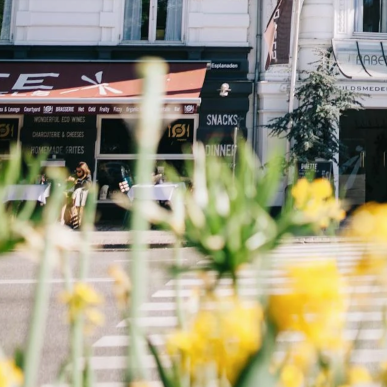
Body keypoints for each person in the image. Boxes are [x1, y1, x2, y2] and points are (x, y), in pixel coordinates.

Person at [67, 162, 92, 228]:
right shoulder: (75, 175)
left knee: (80, 207)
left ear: (84, 170)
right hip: (75, 193)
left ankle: (79, 223)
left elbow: (88, 184)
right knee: (74, 206)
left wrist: (77, 180)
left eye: (79, 171)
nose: (77, 173)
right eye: (76, 171)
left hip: (83, 192)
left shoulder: (88, 175)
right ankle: (74, 222)